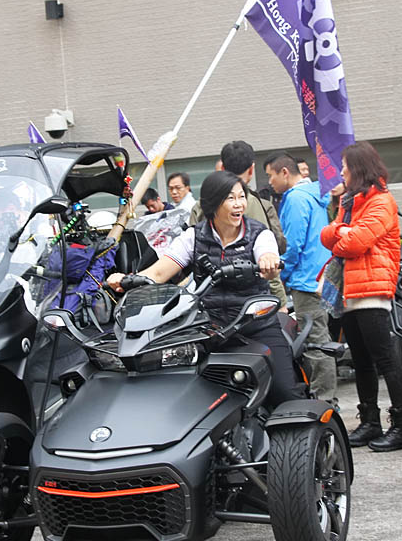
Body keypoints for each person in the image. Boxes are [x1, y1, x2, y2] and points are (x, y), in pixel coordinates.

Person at [106, 171, 305, 407]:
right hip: (211, 330)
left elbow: (269, 257)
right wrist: (127, 279)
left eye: (241, 197)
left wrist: (269, 262)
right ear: (213, 203)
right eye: (231, 198)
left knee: (284, 393)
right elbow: (159, 273)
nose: (239, 204)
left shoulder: (259, 233)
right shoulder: (193, 236)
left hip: (256, 325)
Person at [320, 141, 402, 452]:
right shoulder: (351, 202)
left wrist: (344, 234)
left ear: (358, 169)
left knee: (385, 360)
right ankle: (370, 422)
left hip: (372, 291)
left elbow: (355, 243)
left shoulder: (382, 202)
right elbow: (328, 235)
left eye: (345, 166)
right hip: (350, 291)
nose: (342, 172)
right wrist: (343, 232)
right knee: (361, 362)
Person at [267, 153, 336, 403]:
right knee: (320, 338)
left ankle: (324, 401)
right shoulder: (317, 194)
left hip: (306, 280)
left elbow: (292, 245)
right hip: (320, 277)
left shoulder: (295, 199)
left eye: (271, 175)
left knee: (315, 342)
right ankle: (325, 399)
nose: (271, 181)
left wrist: (279, 275)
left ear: (285, 172)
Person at [190, 140, 288, 308]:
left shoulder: (201, 205)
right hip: (257, 300)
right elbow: (273, 254)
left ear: (221, 168)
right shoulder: (261, 205)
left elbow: (190, 254)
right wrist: (280, 301)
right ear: (251, 169)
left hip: (208, 299)